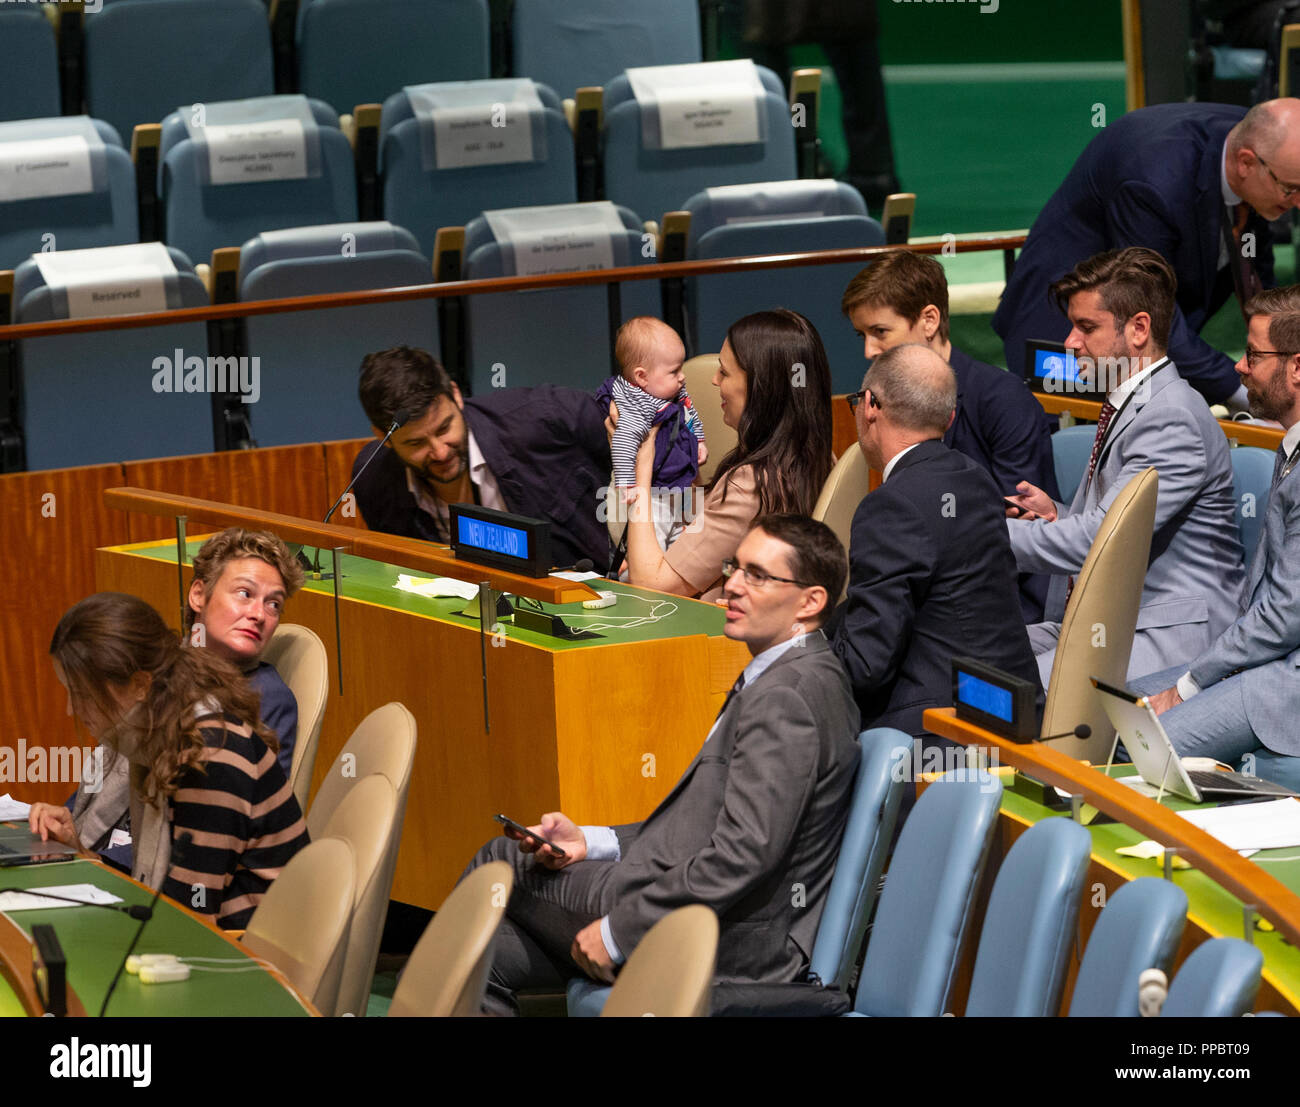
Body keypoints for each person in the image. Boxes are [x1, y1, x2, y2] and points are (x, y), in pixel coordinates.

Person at [462, 514, 858, 1011]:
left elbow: (742, 855)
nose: (731, 586)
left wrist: (618, 931)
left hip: (728, 942)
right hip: (698, 906)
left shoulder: (789, 697)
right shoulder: (788, 673)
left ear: (811, 601)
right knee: (490, 950)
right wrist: (594, 840)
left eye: (757, 575)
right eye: (735, 567)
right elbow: (703, 825)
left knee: (495, 865)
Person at [1006, 248, 1246, 687]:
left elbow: (1102, 539)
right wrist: (1058, 516)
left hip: (1165, 635)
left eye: (1086, 327)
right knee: (961, 664)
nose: (1069, 342)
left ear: (1138, 329)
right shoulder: (1131, 403)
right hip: (1105, 620)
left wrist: (986, 536)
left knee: (1011, 692)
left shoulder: (1171, 417)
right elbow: (1111, 524)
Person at [992, 99, 1300, 407]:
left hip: (1130, 331)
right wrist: (1250, 394)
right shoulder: (1152, 181)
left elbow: (1259, 274)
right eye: (1291, 190)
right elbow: (1153, 312)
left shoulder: (1262, 143)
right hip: (1065, 336)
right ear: (1245, 163)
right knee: (1084, 445)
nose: (1298, 202)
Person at [30, 593, 309, 930]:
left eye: (84, 695)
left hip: (246, 956)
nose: (72, 710)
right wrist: (79, 850)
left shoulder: (207, 758)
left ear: (140, 685)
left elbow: (192, 917)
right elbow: (156, 893)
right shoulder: (155, 730)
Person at [827, 344, 1041, 739]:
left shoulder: (891, 505)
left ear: (870, 404)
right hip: (1014, 715)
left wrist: (796, 644)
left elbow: (864, 666)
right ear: (951, 415)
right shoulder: (976, 478)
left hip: (936, 732)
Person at [1132, 286, 1300, 775]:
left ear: (1296, 367)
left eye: (1252, 354)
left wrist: (1188, 685)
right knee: (1110, 712)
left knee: (1141, 748)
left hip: (1284, 679)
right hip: (1264, 660)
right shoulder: (1290, 447)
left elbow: (1283, 618)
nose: (1239, 367)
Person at [840, 249, 1059, 620]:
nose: (868, 350)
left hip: (1006, 608)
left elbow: (1020, 520)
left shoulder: (1002, 399)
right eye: (862, 334)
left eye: (880, 332)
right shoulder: (883, 402)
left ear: (929, 320)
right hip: (925, 595)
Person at [70, 528, 305, 864]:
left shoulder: (266, 697)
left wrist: (104, 862)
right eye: (244, 593)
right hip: (96, 852)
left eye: (274, 604)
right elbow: (105, 773)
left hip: (164, 879)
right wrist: (62, 820)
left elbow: (227, 829)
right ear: (199, 595)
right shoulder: (157, 669)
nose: (259, 614)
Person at [617, 309, 834, 600]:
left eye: (724, 371)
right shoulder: (817, 457)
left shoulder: (752, 484)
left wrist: (642, 462)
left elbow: (652, 588)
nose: (714, 381)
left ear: (761, 387)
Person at [350, 346, 612, 569]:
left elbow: (641, 448)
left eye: (444, 428)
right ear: (382, 435)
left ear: (455, 395)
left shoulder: (547, 418)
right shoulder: (373, 479)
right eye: (415, 443)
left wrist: (635, 544)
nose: (440, 452)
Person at [596, 316, 706, 549]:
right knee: (651, 548)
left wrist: (700, 441)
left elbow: (691, 414)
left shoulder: (673, 393)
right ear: (642, 377)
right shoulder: (636, 408)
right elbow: (623, 444)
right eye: (674, 371)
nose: (682, 376)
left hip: (679, 489)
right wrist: (627, 484)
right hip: (652, 496)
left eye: (681, 368)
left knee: (683, 545)